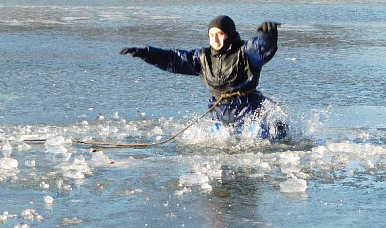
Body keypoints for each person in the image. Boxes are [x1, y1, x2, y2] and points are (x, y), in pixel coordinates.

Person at [120, 15, 287, 140]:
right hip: (220, 112)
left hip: (250, 110)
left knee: (263, 138)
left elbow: (261, 48)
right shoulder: (202, 58)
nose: (215, 39)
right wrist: (146, 53)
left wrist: (268, 36)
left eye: (219, 34)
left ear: (228, 34)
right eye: (211, 35)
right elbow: (174, 59)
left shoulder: (245, 52)